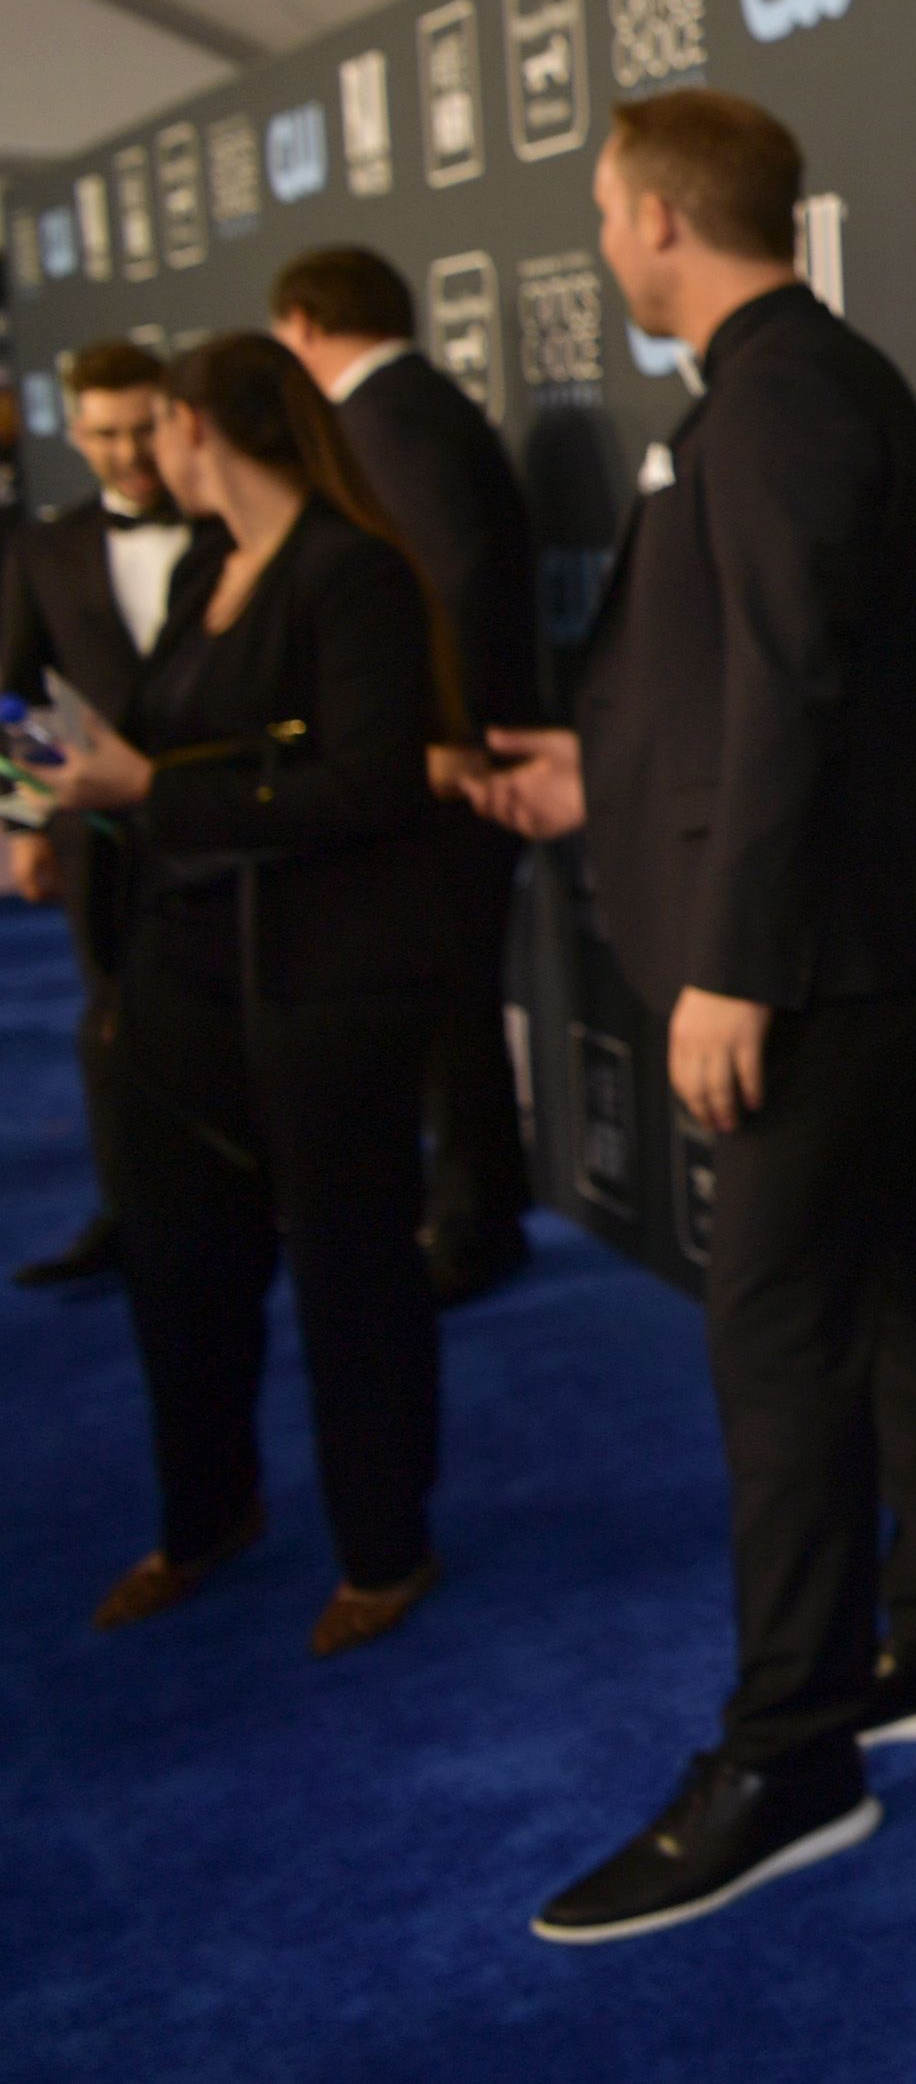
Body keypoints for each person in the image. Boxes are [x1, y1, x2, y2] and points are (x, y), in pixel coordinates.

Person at [471, 90, 916, 1945]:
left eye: (603, 215)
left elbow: (793, 684)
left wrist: (735, 961)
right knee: (890, 1288)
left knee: (780, 1340)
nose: (606, 243)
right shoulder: (789, 380)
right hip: (848, 938)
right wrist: (593, 765)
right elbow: (756, 687)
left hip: (813, 960)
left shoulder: (780, 389)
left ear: (650, 215)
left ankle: (791, 1752)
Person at [39, 333, 463, 1656]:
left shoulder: (353, 573)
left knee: (350, 1276)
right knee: (179, 1269)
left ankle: (384, 1548)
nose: (139, 454)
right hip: (174, 976)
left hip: (324, 984)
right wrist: (60, 784)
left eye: (152, 427)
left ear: (197, 432)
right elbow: (151, 739)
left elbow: (372, 784)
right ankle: (204, 1515)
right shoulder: (212, 569)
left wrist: (151, 789)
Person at [269, 245, 546, 1308]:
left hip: (452, 764)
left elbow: (455, 576)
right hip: (454, 751)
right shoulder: (406, 403)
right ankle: (481, 1206)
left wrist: (451, 733)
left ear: (301, 321)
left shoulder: (389, 413)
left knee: (453, 995)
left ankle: (476, 1224)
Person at [4, 339, 204, 1292]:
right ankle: (133, 1214)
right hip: (100, 839)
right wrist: (25, 824)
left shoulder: (230, 530)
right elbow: (17, 695)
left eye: (142, 430)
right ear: (75, 434)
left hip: (222, 817)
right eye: (105, 435)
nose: (128, 454)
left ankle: (271, 1204)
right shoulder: (47, 548)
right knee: (113, 1027)